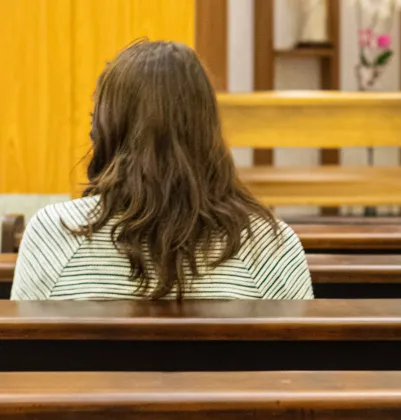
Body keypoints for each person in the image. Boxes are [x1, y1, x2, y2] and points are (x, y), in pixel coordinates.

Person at [11, 41, 313, 300]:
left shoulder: (53, 236)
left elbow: (15, 359)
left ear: (104, 131)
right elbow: (304, 364)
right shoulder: (270, 247)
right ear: (208, 131)